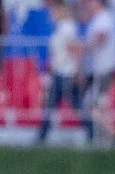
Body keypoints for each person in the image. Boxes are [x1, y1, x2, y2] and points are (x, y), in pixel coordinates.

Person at [38, 0, 87, 143]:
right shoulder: (61, 27)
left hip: (67, 72)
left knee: (75, 104)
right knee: (51, 104)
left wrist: (78, 70)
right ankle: (42, 135)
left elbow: (75, 49)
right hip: (59, 71)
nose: (51, 14)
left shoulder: (67, 28)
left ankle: (90, 131)